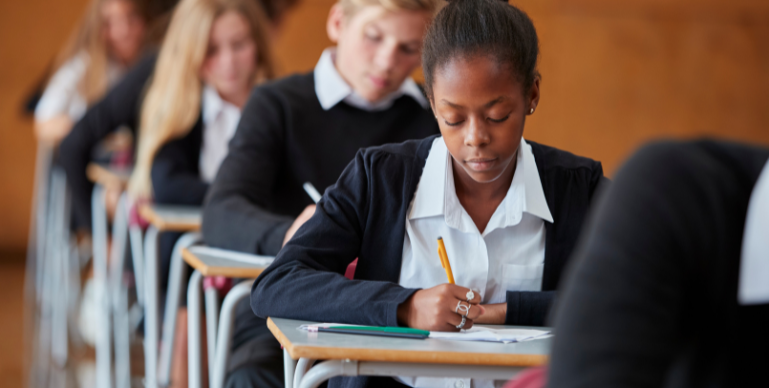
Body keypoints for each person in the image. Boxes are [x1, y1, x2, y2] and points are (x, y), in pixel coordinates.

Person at [250, 1, 606, 387]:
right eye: (453, 118)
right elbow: (278, 284)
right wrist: (404, 306)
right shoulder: (380, 177)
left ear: (532, 94)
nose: (476, 138)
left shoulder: (578, 188)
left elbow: (623, 300)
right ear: (432, 102)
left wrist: (503, 312)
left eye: (497, 116)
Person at [201, 0, 441, 385]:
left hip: (392, 316)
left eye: (408, 48)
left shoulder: (435, 118)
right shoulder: (278, 104)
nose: (386, 61)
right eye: (373, 37)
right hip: (285, 314)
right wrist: (292, 234)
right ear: (337, 22)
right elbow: (222, 210)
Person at [58, 0, 295, 234]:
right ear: (192, 53)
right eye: (212, 50)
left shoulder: (280, 102)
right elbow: (168, 185)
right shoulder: (179, 104)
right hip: (192, 250)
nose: (229, 62)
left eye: (240, 45)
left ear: (258, 43)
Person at [547, 140, 769, 388]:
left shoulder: (579, 181)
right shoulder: (673, 194)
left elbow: (558, 298)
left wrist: (505, 309)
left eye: (500, 116)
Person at [35, 0, 149, 144]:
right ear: (98, 28)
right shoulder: (81, 67)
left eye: (131, 17)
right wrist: (92, 131)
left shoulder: (146, 66)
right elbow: (44, 124)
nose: (124, 30)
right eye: (111, 22)